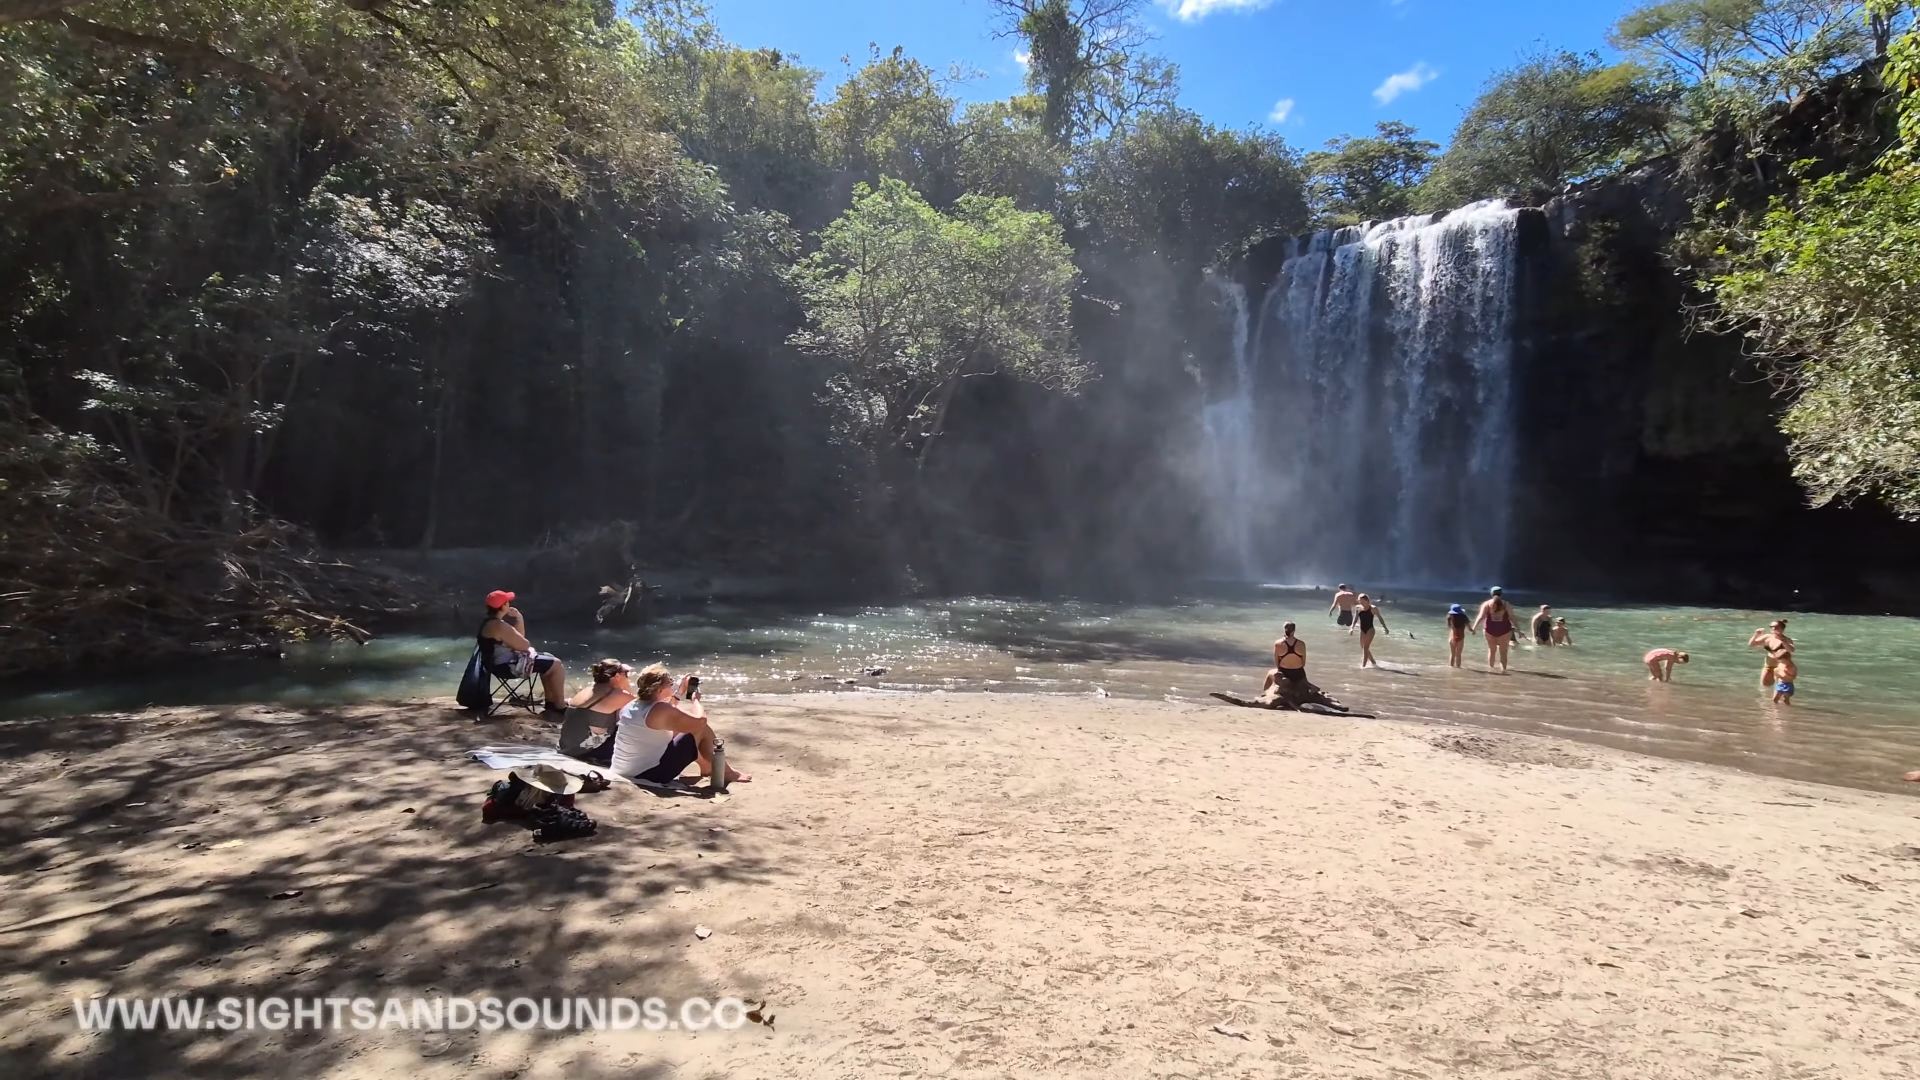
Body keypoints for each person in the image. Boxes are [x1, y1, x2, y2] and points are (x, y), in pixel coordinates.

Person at [612, 664, 749, 788]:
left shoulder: (633, 705)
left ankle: (707, 767)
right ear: (659, 689)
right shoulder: (659, 709)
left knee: (682, 727)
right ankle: (727, 772)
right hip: (649, 774)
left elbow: (667, 714)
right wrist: (695, 701)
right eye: (670, 683)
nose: (672, 685)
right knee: (699, 728)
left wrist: (679, 693)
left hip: (624, 769)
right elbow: (700, 721)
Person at [477, 589, 567, 717]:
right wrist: (519, 621)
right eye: (507, 602)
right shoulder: (499, 626)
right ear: (503, 606)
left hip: (496, 666)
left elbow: (518, 641)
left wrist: (519, 618)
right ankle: (560, 705)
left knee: (548, 657)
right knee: (556, 664)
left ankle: (551, 702)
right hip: (508, 667)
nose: (509, 604)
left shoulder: (489, 623)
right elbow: (524, 645)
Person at [559, 659, 636, 766]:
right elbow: (643, 709)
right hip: (585, 750)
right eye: (626, 674)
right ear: (617, 676)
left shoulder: (588, 690)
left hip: (568, 746)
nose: (628, 677)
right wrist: (627, 687)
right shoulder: (616, 694)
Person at [1471, 586, 1515, 673]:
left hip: (1489, 630)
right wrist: (1519, 629)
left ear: (1491, 594)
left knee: (1492, 651)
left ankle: (1490, 671)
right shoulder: (1506, 604)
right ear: (1501, 594)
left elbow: (1480, 617)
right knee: (1503, 652)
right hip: (1504, 631)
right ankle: (1503, 671)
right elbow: (1512, 617)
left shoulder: (1487, 604)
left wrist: (1474, 628)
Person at [1263, 622, 1309, 691]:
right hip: (1299, 673)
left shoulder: (1278, 643)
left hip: (1284, 673)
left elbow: (1277, 663)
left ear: (1284, 630)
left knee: (1270, 672)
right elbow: (1303, 663)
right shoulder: (1301, 644)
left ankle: (1264, 694)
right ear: (1294, 631)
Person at [1748, 619, 1794, 688]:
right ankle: (1764, 698)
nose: (1773, 628)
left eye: (1776, 627)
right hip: (1769, 665)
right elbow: (1751, 644)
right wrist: (1756, 634)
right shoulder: (1767, 637)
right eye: (1771, 626)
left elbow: (1791, 650)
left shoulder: (1787, 640)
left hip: (1782, 667)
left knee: (1780, 687)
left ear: (1782, 629)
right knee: (1764, 685)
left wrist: (1784, 642)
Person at [1352, 593, 1387, 668]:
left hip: (1370, 630)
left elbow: (1380, 618)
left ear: (1366, 600)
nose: (1360, 602)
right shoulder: (1358, 608)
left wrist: (1385, 628)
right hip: (1362, 630)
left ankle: (1363, 666)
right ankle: (1373, 662)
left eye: (1361, 600)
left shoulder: (1373, 608)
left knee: (1365, 648)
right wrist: (1352, 627)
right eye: (1359, 600)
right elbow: (1355, 618)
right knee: (1363, 647)